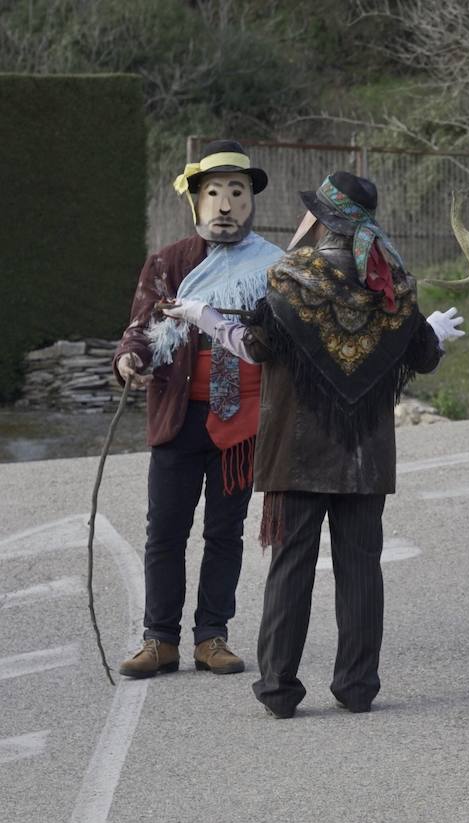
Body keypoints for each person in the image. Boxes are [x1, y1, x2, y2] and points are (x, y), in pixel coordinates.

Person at [164, 172, 463, 718]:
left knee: (290, 568)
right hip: (365, 457)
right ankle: (357, 687)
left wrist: (204, 318)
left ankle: (279, 690)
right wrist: (436, 335)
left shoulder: (288, 279)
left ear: (322, 220)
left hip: (295, 454)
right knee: (360, 569)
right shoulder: (391, 284)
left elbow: (254, 347)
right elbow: (419, 356)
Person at [112, 139, 281, 678]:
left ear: (251, 201)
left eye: (237, 192)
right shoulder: (169, 263)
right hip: (177, 416)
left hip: (240, 423)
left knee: (224, 533)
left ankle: (212, 635)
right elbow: (138, 331)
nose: (226, 205)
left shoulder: (275, 268)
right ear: (195, 201)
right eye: (214, 193)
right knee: (164, 530)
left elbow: (284, 340)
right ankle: (159, 638)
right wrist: (130, 361)